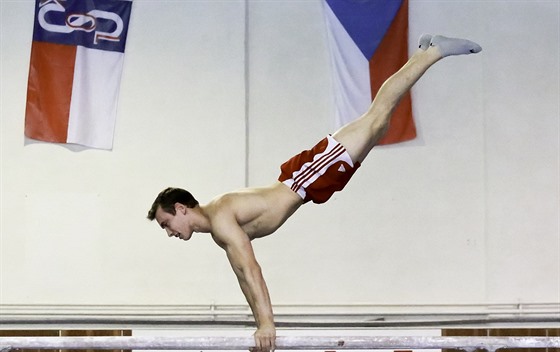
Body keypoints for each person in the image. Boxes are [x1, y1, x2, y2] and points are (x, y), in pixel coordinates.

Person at [147, 34, 481, 352]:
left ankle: (431, 52)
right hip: (306, 183)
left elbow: (252, 271)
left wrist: (267, 325)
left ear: (181, 208)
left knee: (376, 118)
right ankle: (422, 53)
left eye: (166, 223)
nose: (168, 233)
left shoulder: (221, 219)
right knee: (378, 125)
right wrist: (260, 324)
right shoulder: (219, 228)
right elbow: (242, 278)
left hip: (306, 177)